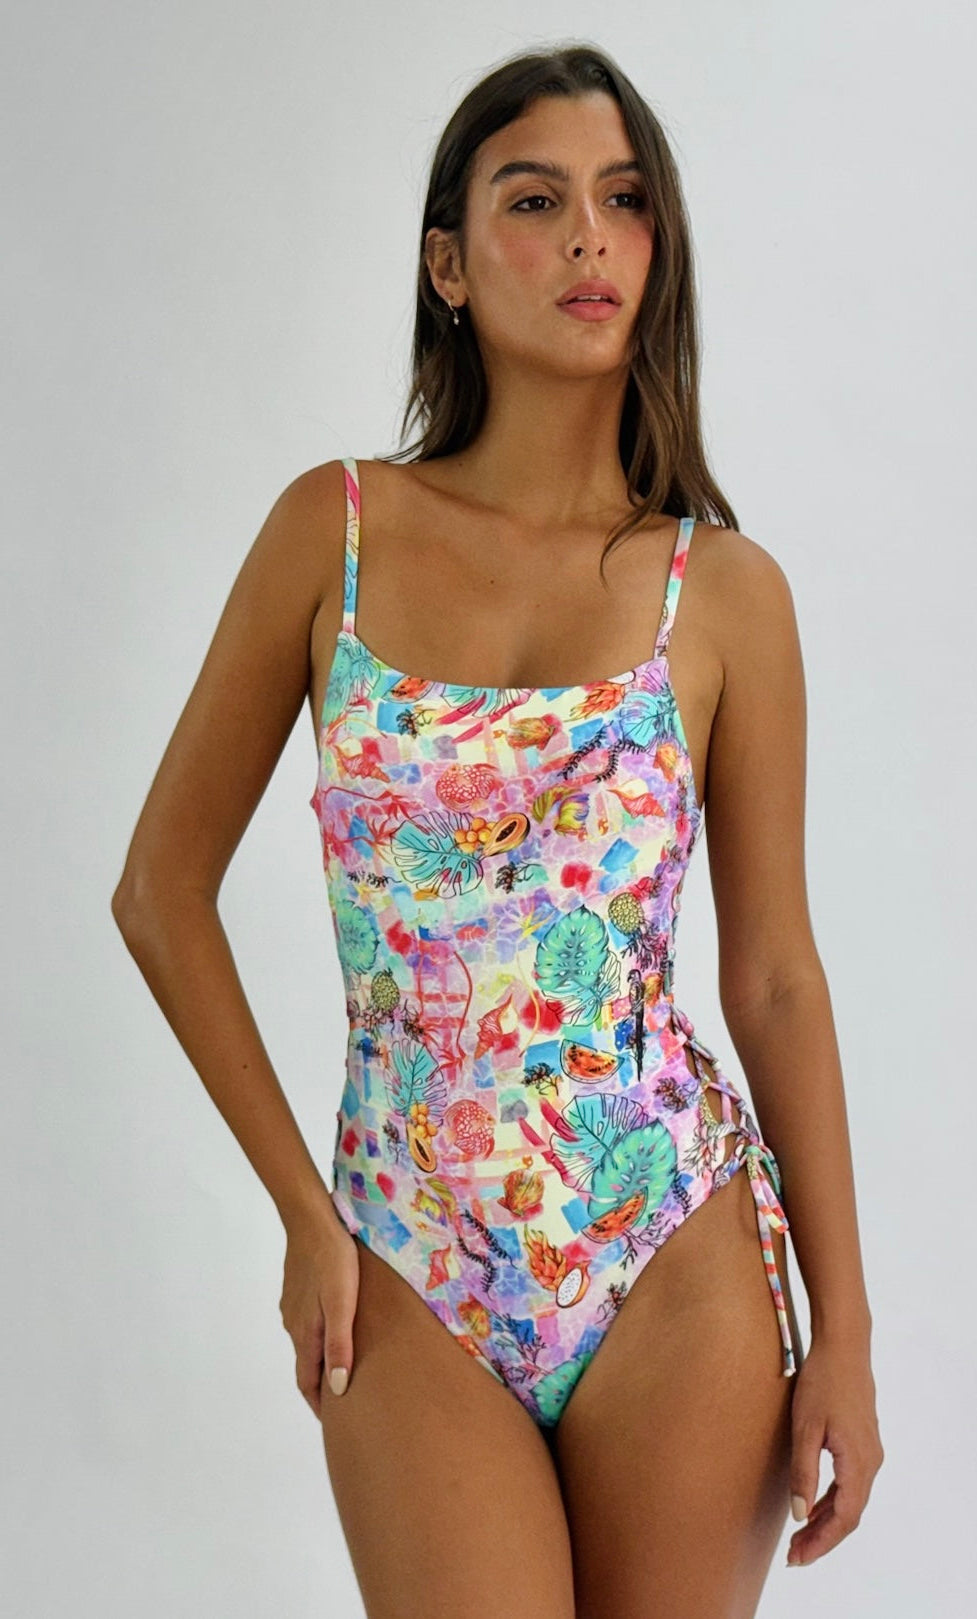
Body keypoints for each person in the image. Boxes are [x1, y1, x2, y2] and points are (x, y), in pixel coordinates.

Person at [112, 41, 882, 1619]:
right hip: (402, 1249)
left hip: (669, 1242)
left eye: (625, 199)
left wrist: (849, 1332)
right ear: (449, 264)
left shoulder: (724, 594)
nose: (590, 235)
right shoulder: (332, 533)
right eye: (535, 201)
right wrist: (305, 1216)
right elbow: (159, 891)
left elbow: (775, 979)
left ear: (658, 251)